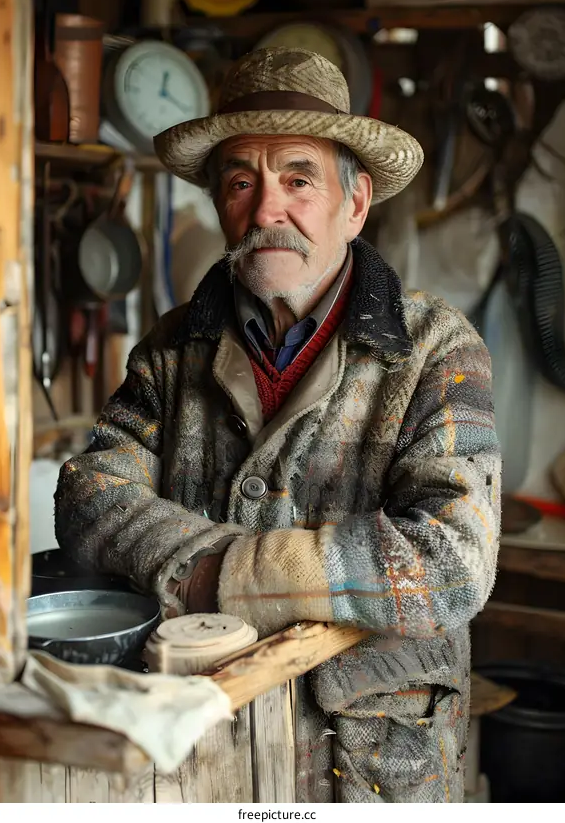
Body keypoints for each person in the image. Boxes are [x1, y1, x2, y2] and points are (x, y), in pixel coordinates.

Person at [55, 48, 501, 803]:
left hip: (366, 770)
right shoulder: (172, 349)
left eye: (298, 179)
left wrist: (219, 576)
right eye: (241, 182)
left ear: (354, 205)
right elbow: (89, 495)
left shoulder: (433, 347)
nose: (266, 210)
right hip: (206, 764)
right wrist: (234, 565)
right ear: (221, 205)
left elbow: (453, 562)